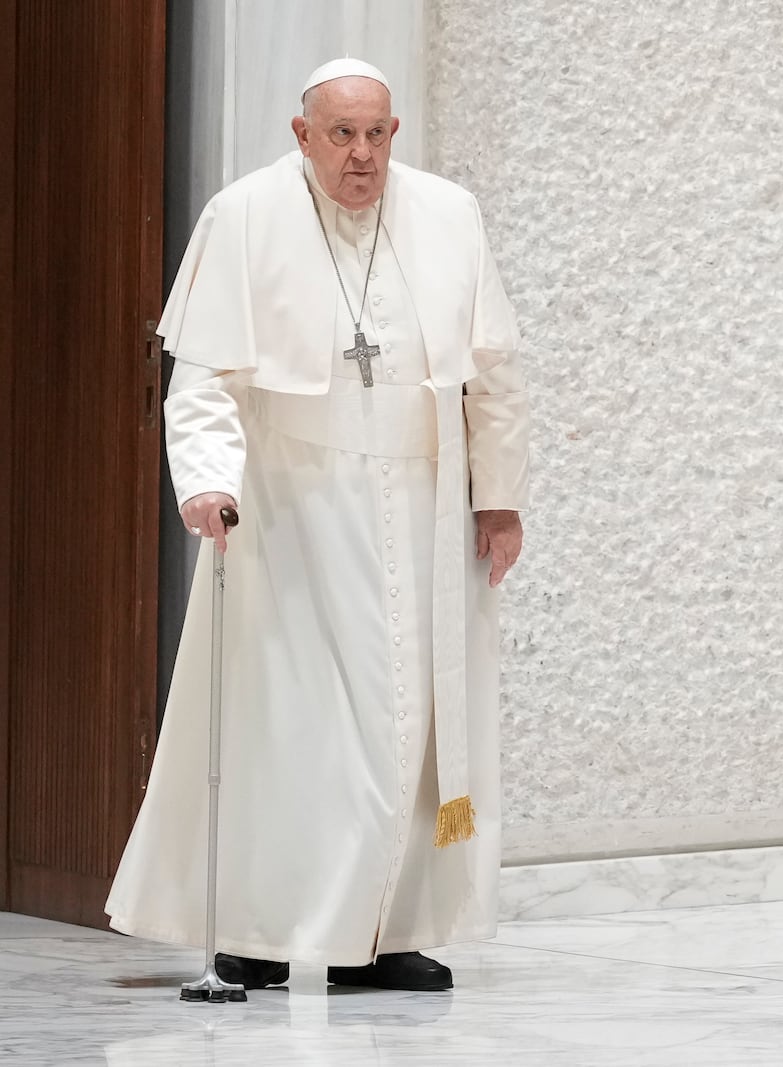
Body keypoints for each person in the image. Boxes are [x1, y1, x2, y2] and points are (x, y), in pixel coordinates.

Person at [105, 58, 530, 993]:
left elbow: (491, 375)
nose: (363, 154)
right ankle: (259, 929)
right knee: (289, 726)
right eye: (342, 134)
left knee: (413, 726)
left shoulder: (450, 216)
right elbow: (205, 380)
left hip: (423, 504)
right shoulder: (246, 214)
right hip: (291, 508)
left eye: (377, 133)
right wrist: (207, 483)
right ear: (303, 136)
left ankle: (386, 934)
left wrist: (496, 496)